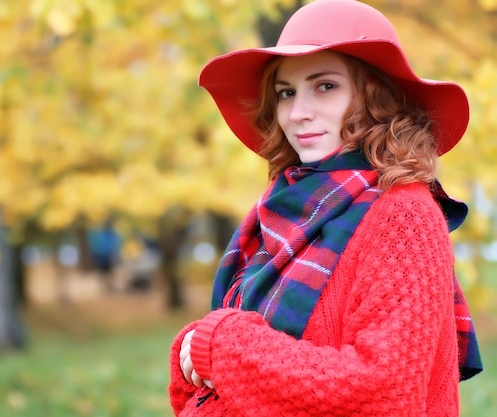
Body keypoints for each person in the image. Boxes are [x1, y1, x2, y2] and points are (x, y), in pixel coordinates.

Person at [168, 1, 483, 416]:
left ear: (376, 97)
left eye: (325, 86)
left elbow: (383, 391)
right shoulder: (283, 208)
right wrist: (196, 349)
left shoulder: (404, 214)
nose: (298, 113)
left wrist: (222, 345)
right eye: (286, 92)